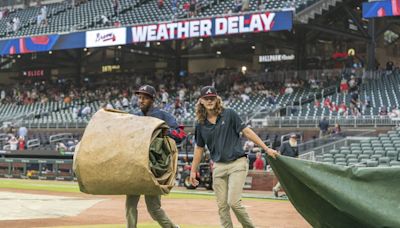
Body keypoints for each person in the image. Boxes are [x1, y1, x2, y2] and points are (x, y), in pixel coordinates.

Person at [189, 86, 279, 228]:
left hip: (237, 163)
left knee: (234, 203)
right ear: (201, 101)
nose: (209, 100)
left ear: (217, 99)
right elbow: (199, 149)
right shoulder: (200, 124)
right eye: (206, 98)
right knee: (222, 207)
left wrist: (266, 149)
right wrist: (193, 171)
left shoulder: (229, 114)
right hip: (218, 166)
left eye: (212, 97)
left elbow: (247, 132)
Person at [126, 84, 185, 228]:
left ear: (152, 100)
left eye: (145, 98)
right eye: (139, 97)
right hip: (136, 166)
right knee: (130, 205)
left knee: (154, 209)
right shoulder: (134, 117)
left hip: (154, 167)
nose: (141, 100)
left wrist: (166, 131)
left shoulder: (163, 116)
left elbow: (181, 135)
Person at [273, 133, 298, 197]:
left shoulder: (296, 145)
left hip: (292, 164)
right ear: (290, 138)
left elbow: (297, 156)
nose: (294, 139)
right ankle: (278, 189)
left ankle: (277, 189)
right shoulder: (285, 144)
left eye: (295, 138)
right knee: (286, 178)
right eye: (292, 138)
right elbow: (279, 153)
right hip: (284, 164)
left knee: (287, 178)